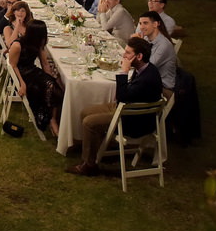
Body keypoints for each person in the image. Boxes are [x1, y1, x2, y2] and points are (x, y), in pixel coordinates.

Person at [66, 36, 162, 177]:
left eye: (128, 53)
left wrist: (123, 72)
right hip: (127, 108)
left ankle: (89, 165)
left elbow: (122, 95)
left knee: (89, 123)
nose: (124, 55)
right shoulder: (144, 68)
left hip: (133, 119)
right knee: (85, 112)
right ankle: (92, 150)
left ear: (139, 56)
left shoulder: (148, 78)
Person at [6, 20, 63, 136]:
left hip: (32, 71)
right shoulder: (18, 45)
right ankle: (51, 121)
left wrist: (51, 76)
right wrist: (22, 84)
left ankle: (52, 119)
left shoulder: (38, 44)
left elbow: (44, 63)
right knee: (50, 88)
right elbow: (13, 66)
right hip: (21, 75)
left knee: (56, 88)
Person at [136, 11, 177, 93]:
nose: (141, 27)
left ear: (155, 24)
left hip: (162, 88)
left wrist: (136, 44)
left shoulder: (164, 45)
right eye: (140, 23)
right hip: (148, 81)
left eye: (145, 23)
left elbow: (147, 67)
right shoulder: (146, 39)